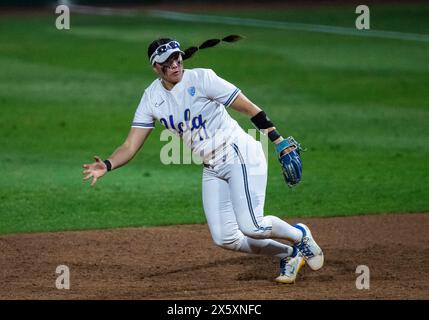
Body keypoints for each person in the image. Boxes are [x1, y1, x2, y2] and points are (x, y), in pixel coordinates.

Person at [83, 38, 324, 284]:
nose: (175, 65)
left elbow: (250, 109)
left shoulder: (202, 79)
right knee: (225, 237)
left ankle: (299, 235)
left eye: (177, 58)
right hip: (212, 166)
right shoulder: (151, 98)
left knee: (252, 226)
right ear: (155, 67)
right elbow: (130, 145)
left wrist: (277, 140)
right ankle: (290, 253)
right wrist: (108, 164)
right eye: (167, 63)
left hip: (238, 153)